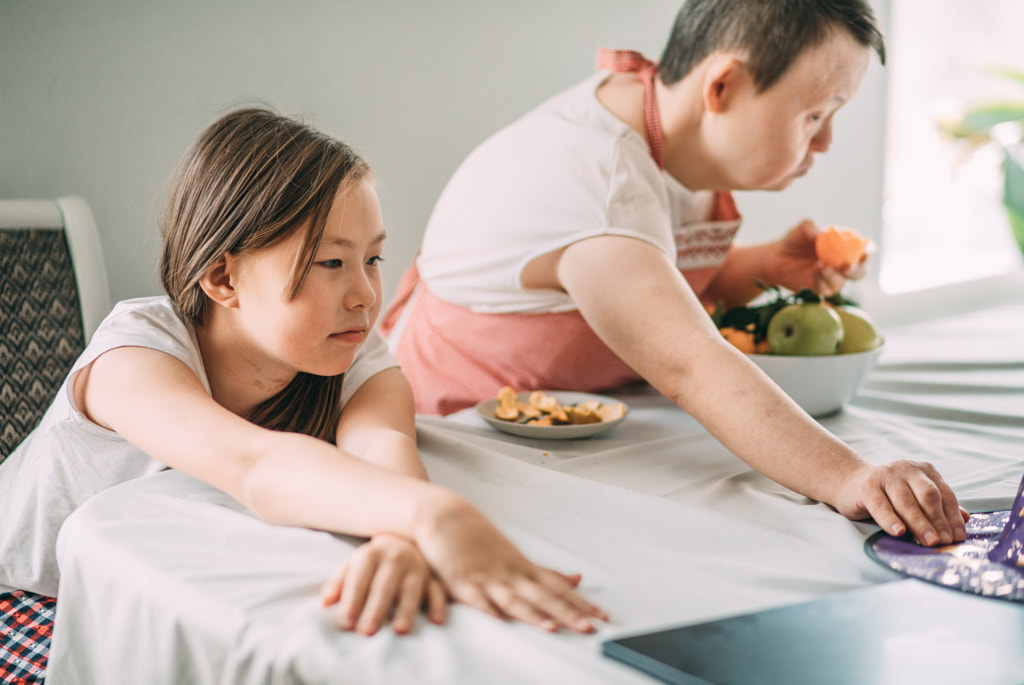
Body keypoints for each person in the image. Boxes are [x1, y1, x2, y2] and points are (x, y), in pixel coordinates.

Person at [381, 0, 970, 548]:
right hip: (454, 439)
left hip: (571, 429)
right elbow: (690, 362)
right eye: (815, 113)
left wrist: (761, 267)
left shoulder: (666, 133)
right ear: (723, 86)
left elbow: (633, 279)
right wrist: (849, 475)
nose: (826, 141)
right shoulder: (596, 174)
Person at [0, 108, 607, 637]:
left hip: (176, 584)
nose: (367, 293)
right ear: (223, 277)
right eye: (332, 262)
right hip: (39, 603)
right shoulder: (134, 354)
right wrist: (438, 516)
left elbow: (384, 448)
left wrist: (398, 538)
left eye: (372, 258)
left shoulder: (347, 352)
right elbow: (256, 465)